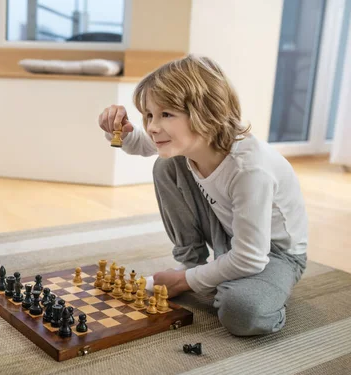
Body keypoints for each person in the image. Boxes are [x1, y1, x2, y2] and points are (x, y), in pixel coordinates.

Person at [98, 55, 308, 336]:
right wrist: (121, 132)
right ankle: (192, 263)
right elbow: (146, 145)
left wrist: (185, 283)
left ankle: (238, 286)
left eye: (166, 114)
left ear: (206, 113)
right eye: (149, 115)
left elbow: (252, 258)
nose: (151, 126)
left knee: (242, 311)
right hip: (229, 233)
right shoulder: (194, 141)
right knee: (167, 162)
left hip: (275, 254)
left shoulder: (250, 169)